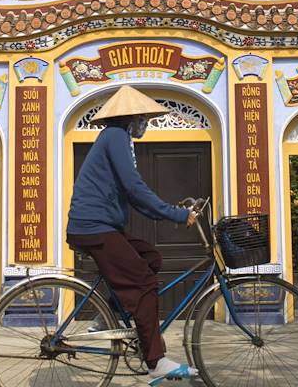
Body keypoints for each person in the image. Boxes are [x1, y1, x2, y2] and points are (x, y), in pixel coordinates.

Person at [66, 85, 199, 385]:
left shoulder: (119, 138)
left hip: (102, 225)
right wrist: (176, 214)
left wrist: (169, 213)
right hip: (94, 227)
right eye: (145, 119)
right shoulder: (115, 137)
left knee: (151, 256)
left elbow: (134, 195)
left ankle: (111, 310)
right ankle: (155, 361)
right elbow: (134, 188)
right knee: (144, 282)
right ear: (133, 118)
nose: (147, 125)